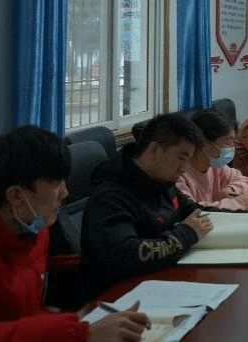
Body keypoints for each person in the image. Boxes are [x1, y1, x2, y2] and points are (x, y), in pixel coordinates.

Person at [0, 125, 151, 341]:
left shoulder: (33, 225)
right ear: (16, 196)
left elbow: (25, 312)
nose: (65, 193)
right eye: (56, 184)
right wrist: (80, 332)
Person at [81, 113, 215, 299]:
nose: (184, 169)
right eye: (181, 158)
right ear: (154, 150)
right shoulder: (111, 197)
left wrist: (246, 216)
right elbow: (129, 254)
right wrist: (186, 234)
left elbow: (195, 211)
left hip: (163, 279)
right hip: (120, 296)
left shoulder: (162, 180)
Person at [177, 109, 248, 211]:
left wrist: (232, 190)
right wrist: (237, 203)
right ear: (204, 143)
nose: (232, 148)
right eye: (227, 143)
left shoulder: (216, 167)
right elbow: (191, 210)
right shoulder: (178, 173)